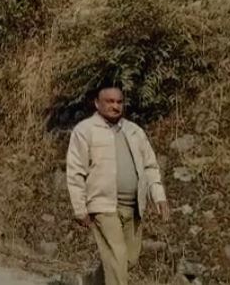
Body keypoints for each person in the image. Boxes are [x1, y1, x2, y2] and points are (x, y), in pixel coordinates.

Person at [66, 85, 170, 285]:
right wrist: (80, 208)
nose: (115, 106)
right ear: (97, 103)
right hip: (103, 206)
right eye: (110, 101)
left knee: (128, 260)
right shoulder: (85, 130)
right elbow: (75, 172)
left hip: (133, 207)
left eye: (119, 102)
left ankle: (92, 282)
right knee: (118, 257)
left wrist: (158, 195)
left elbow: (150, 166)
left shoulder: (134, 131)